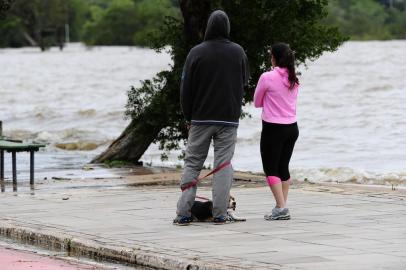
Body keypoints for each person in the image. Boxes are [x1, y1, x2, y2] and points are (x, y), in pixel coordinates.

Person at [173, 10, 249, 226]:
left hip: (200, 118)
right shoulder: (238, 52)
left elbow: (185, 90)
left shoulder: (196, 53)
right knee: (223, 166)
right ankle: (220, 213)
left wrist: (188, 116)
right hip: (229, 118)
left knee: (193, 163)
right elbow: (244, 84)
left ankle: (183, 213)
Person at [254, 43, 299, 220]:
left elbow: (257, 102)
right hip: (292, 128)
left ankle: (281, 208)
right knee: (283, 168)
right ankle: (281, 207)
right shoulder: (294, 79)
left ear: (274, 58)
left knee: (271, 169)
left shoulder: (267, 77)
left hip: (273, 128)